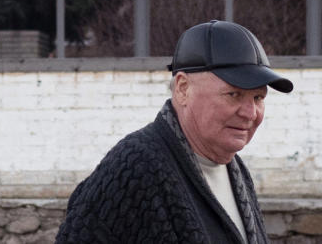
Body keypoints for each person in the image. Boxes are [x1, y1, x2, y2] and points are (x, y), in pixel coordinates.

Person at [55, 20, 293, 243]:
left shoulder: (236, 170)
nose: (250, 113)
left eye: (258, 97)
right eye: (234, 95)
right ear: (182, 88)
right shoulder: (134, 168)